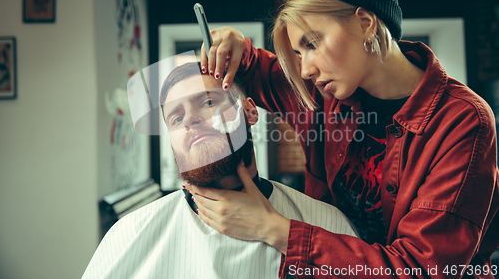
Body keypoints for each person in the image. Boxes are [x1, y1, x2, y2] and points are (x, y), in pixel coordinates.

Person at [186, 0, 499, 278]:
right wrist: (234, 45)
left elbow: (419, 268)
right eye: (296, 52)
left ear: (365, 23)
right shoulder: (326, 93)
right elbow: (257, 71)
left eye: (311, 44)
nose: (304, 69)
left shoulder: (462, 122)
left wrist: (275, 229)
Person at [81, 62, 357, 279]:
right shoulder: (128, 235)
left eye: (208, 102)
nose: (190, 119)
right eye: (176, 117)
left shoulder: (327, 224)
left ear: (250, 112)